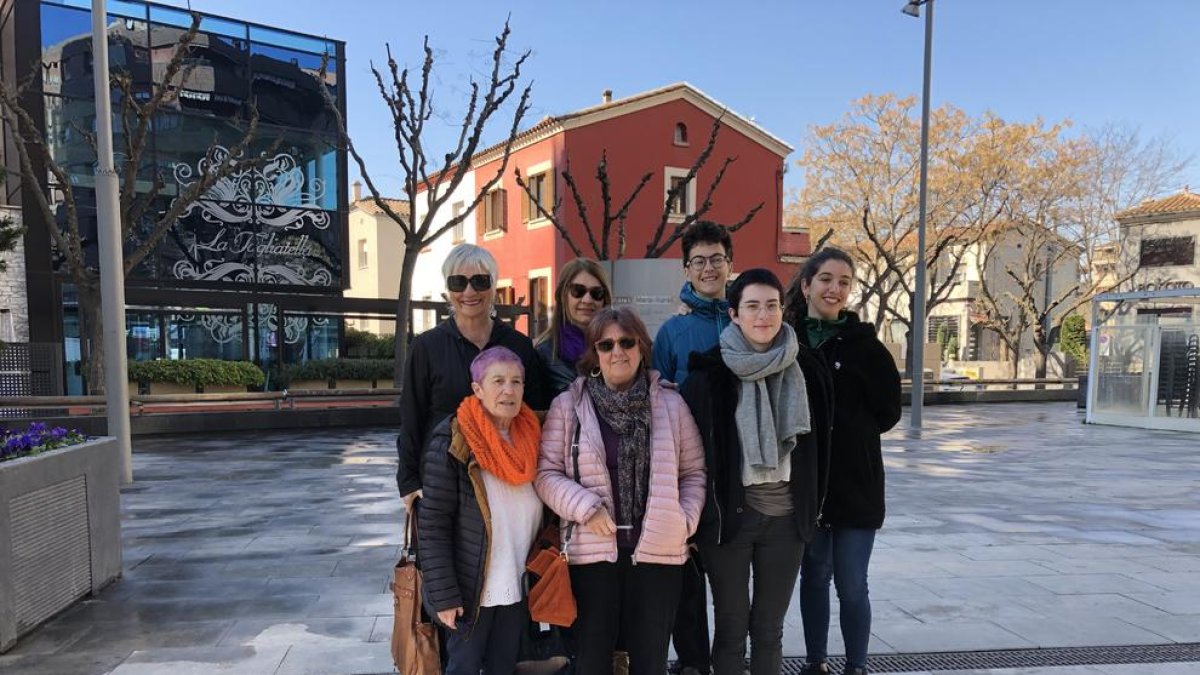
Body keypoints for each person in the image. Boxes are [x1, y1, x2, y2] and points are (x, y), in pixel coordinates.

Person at [536, 306, 706, 675]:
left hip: (657, 556)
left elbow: (693, 472)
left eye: (627, 342)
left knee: (650, 663)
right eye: (607, 343)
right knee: (592, 662)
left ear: (642, 348)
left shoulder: (672, 405)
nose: (618, 351)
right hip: (591, 557)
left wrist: (684, 521)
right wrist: (584, 507)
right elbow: (546, 474)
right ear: (594, 353)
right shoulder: (569, 406)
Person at [680, 268, 833, 675]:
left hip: (786, 520)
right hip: (730, 520)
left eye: (771, 305)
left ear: (783, 310)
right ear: (734, 313)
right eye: (752, 306)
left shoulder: (809, 370)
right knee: (730, 628)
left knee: (769, 629)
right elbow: (693, 457)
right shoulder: (707, 375)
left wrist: (812, 511)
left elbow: (822, 452)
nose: (763, 315)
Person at [784, 248, 902, 675]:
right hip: (807, 485)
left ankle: (857, 666)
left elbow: (888, 412)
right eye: (826, 280)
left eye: (844, 282)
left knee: (852, 584)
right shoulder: (787, 344)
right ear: (807, 286)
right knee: (814, 576)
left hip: (857, 487)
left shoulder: (867, 349)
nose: (835, 289)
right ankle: (816, 662)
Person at [419, 346, 544, 675]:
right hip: (471, 591)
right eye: (498, 381)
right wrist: (444, 596)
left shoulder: (531, 435)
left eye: (517, 382)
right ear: (477, 389)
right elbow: (432, 524)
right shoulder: (454, 438)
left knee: (505, 668)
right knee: (464, 668)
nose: (509, 390)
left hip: (515, 584)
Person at [396, 243, 547, 511]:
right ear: (448, 289)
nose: (469, 292)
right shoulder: (427, 347)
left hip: (506, 476)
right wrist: (408, 483)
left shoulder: (519, 346)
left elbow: (534, 414)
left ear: (493, 285)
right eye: (458, 282)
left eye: (479, 281)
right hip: (444, 476)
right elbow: (411, 417)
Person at [651, 220, 734, 675]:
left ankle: (728, 658)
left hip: (740, 469)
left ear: (729, 264)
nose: (708, 268)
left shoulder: (749, 320)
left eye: (716, 259)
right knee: (687, 573)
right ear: (686, 269)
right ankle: (693, 662)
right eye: (699, 261)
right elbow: (657, 405)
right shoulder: (670, 334)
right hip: (688, 468)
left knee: (732, 578)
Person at [535, 258, 613, 396]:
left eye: (597, 293)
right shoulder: (543, 354)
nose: (587, 300)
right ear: (563, 295)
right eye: (578, 290)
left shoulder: (621, 348)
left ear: (605, 300)